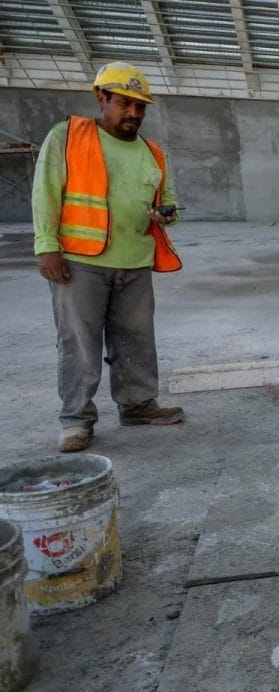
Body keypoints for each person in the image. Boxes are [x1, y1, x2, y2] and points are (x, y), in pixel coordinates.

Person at [32, 62, 185, 453]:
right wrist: (46, 244)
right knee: (78, 341)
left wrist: (166, 214)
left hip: (134, 260)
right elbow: (45, 192)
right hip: (79, 262)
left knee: (136, 338)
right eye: (124, 104)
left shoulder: (153, 153)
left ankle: (137, 405)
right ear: (101, 97)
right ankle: (76, 419)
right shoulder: (68, 137)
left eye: (140, 107)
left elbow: (169, 204)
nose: (133, 113)